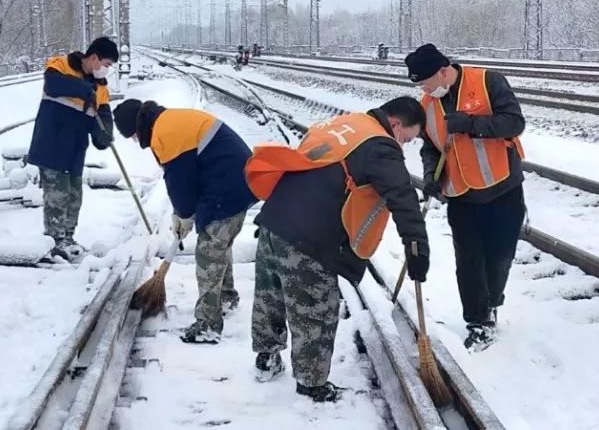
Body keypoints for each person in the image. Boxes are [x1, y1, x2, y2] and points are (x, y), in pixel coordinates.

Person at [244, 97, 430, 403]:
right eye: (407, 138)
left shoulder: (346, 123)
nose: (404, 145)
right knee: (315, 310)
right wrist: (417, 248)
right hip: (309, 236)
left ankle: (266, 358)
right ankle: (311, 385)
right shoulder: (381, 145)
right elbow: (403, 197)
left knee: (270, 297)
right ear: (395, 124)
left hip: (274, 219)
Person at [405, 43, 526, 351]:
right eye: (421, 86)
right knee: (468, 262)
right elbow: (430, 146)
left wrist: (472, 125)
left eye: (428, 83)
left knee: (499, 258)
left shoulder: (488, 81)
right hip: (461, 195)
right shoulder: (427, 105)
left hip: (503, 189)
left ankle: (492, 302)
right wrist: (431, 174)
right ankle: (478, 322)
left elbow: (515, 122)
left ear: (444, 71)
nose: (426, 90)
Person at [112, 99, 257, 344]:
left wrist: (184, 214)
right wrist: (182, 214)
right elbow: (185, 178)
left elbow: (181, 184)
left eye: (133, 137)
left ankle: (208, 324)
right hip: (237, 179)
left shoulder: (165, 133)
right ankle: (226, 297)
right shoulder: (168, 120)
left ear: (137, 128)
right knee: (218, 245)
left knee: (209, 252)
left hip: (228, 185)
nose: (136, 142)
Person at [27, 37, 117, 261]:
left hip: (76, 149)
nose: (107, 70)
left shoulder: (101, 88)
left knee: (75, 196)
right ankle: (55, 241)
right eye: (106, 64)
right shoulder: (61, 65)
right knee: (57, 197)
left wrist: (104, 134)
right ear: (94, 58)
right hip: (52, 145)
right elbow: (53, 85)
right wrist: (85, 90)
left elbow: (104, 114)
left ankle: (68, 238)